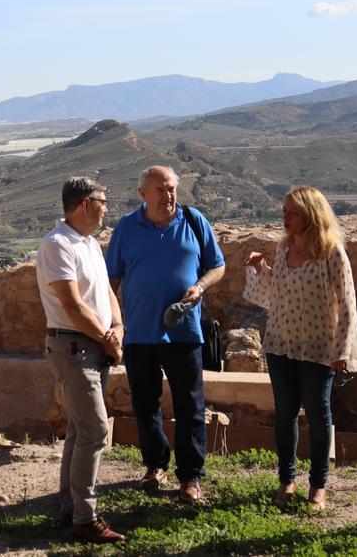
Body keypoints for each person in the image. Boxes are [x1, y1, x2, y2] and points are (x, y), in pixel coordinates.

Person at [105, 166, 225, 503]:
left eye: (171, 188)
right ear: (143, 194)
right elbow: (111, 281)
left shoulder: (193, 220)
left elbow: (218, 266)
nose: (167, 195)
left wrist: (200, 287)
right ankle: (155, 465)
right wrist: (110, 324)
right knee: (146, 404)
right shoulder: (127, 228)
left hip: (185, 332)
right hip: (140, 333)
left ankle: (190, 477)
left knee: (190, 406)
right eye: (159, 189)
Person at [242, 186, 357, 511]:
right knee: (284, 414)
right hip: (280, 344)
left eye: (292, 212)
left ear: (311, 215)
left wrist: (342, 350)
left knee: (318, 414)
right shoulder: (283, 250)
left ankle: (318, 485)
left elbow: (347, 303)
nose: (285, 217)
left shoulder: (331, 252)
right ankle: (287, 479)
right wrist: (260, 270)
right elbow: (275, 295)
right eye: (284, 210)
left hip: (317, 349)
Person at [36, 177, 126, 544]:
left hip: (92, 346)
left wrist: (117, 326)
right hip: (75, 347)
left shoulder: (88, 244)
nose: (107, 208)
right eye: (104, 201)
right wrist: (106, 339)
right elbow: (71, 305)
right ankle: (85, 519)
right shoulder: (57, 245)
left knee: (79, 429)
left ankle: (69, 506)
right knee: (95, 431)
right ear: (86, 204)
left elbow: (104, 291)